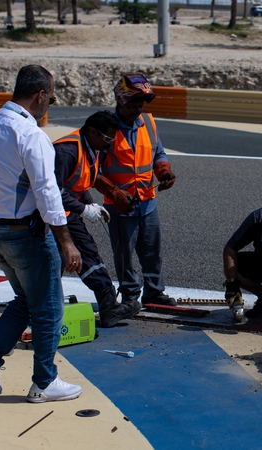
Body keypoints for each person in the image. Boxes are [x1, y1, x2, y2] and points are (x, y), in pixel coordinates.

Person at [0, 65, 83, 403]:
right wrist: (66, 241)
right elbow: (47, 192)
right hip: (25, 234)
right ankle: (45, 383)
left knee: (25, 300)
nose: (50, 106)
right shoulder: (31, 135)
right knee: (48, 308)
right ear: (40, 96)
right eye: (52, 98)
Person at [94, 73, 177, 308]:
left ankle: (154, 292)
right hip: (120, 206)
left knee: (152, 251)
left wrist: (164, 172)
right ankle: (130, 294)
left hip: (148, 201)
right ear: (121, 100)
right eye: (133, 103)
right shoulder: (105, 128)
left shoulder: (148, 123)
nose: (138, 108)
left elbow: (158, 153)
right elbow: (93, 171)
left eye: (141, 103)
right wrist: (114, 193)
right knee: (124, 255)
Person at [53, 111, 141, 327]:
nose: (110, 144)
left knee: (87, 253)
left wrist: (91, 203)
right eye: (108, 138)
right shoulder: (66, 151)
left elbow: (81, 179)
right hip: (52, 215)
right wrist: (83, 209)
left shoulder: (92, 148)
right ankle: (43, 307)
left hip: (68, 212)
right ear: (92, 131)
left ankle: (109, 306)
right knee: (59, 260)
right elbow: (52, 193)